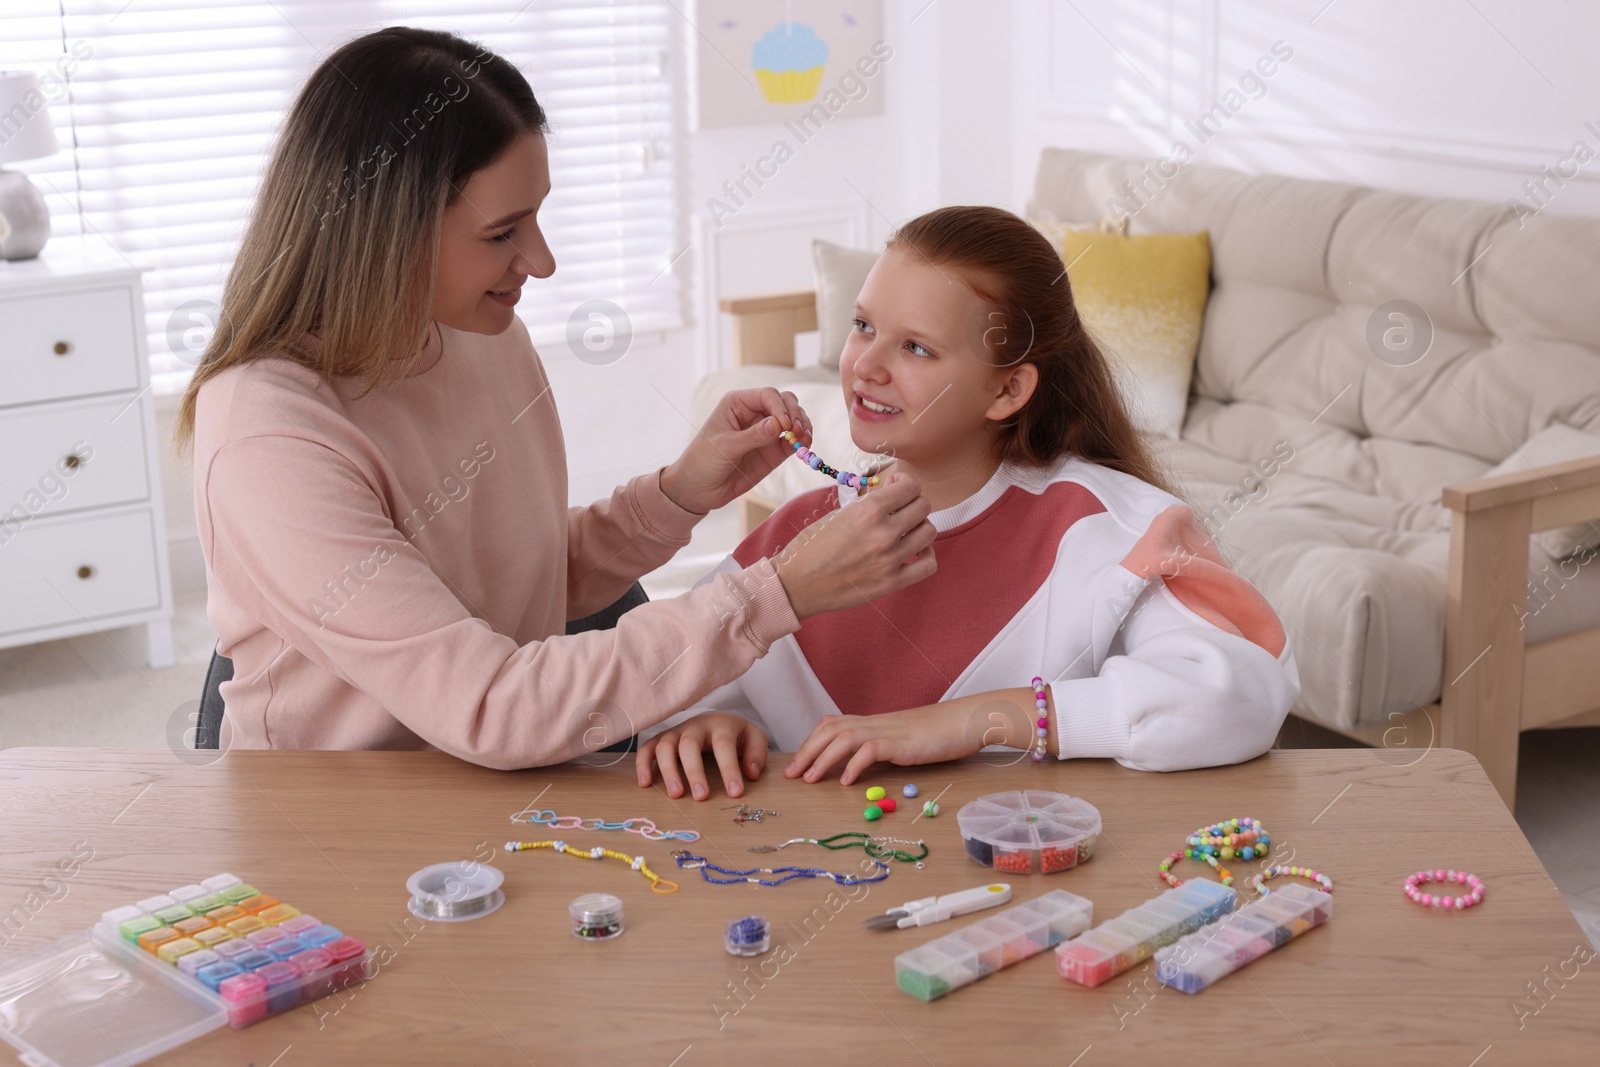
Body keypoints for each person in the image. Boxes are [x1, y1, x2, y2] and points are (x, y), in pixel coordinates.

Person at [172, 28, 937, 769]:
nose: (541, 261)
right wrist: (779, 592)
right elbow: (492, 704)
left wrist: (675, 495)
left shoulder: (486, 335)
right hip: (335, 818)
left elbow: (526, 584)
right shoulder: (268, 433)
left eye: (537, 216)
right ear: (386, 229)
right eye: (503, 232)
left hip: (491, 783)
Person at [638, 206, 1300, 798]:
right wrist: (711, 724)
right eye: (863, 325)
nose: (866, 365)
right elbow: (670, 687)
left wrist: (972, 721)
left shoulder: (1112, 531)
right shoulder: (793, 538)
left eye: (916, 347)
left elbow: (1238, 698)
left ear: (1008, 391)